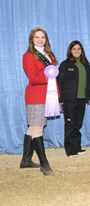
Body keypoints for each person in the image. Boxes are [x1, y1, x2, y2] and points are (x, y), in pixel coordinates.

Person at [21, 27, 58, 175]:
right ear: (32, 39)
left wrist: (58, 97)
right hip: (35, 95)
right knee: (38, 129)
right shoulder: (28, 56)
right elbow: (33, 78)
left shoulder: (48, 55)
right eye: (37, 37)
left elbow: (54, 78)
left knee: (33, 128)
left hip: (48, 95)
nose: (40, 40)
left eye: (43, 37)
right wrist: (47, 77)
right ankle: (44, 164)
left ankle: (26, 160)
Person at [57, 41, 90, 158]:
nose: (76, 51)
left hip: (82, 99)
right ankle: (70, 150)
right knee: (70, 124)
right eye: (74, 49)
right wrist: (60, 99)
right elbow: (59, 82)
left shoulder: (85, 64)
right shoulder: (65, 64)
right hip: (69, 100)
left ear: (81, 51)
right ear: (70, 51)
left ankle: (77, 147)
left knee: (78, 124)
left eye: (79, 49)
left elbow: (89, 82)